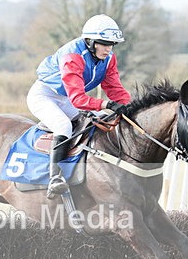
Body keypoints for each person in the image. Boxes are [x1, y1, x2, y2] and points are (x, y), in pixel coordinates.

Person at [27, 14, 132, 198]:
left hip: (66, 98)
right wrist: (106, 104)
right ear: (90, 42)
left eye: (112, 44)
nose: (108, 49)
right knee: (63, 126)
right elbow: (78, 99)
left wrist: (131, 107)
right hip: (44, 96)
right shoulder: (73, 56)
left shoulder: (109, 58)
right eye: (104, 44)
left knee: (99, 121)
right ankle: (54, 178)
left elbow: (114, 88)